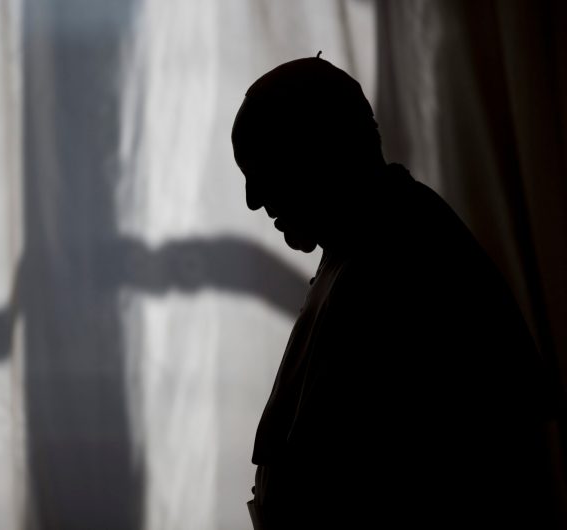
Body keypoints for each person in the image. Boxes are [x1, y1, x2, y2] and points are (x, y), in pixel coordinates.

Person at [232, 56, 563, 528]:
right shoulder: (361, 245)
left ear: (320, 147)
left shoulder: (408, 256)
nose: (253, 198)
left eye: (263, 163)